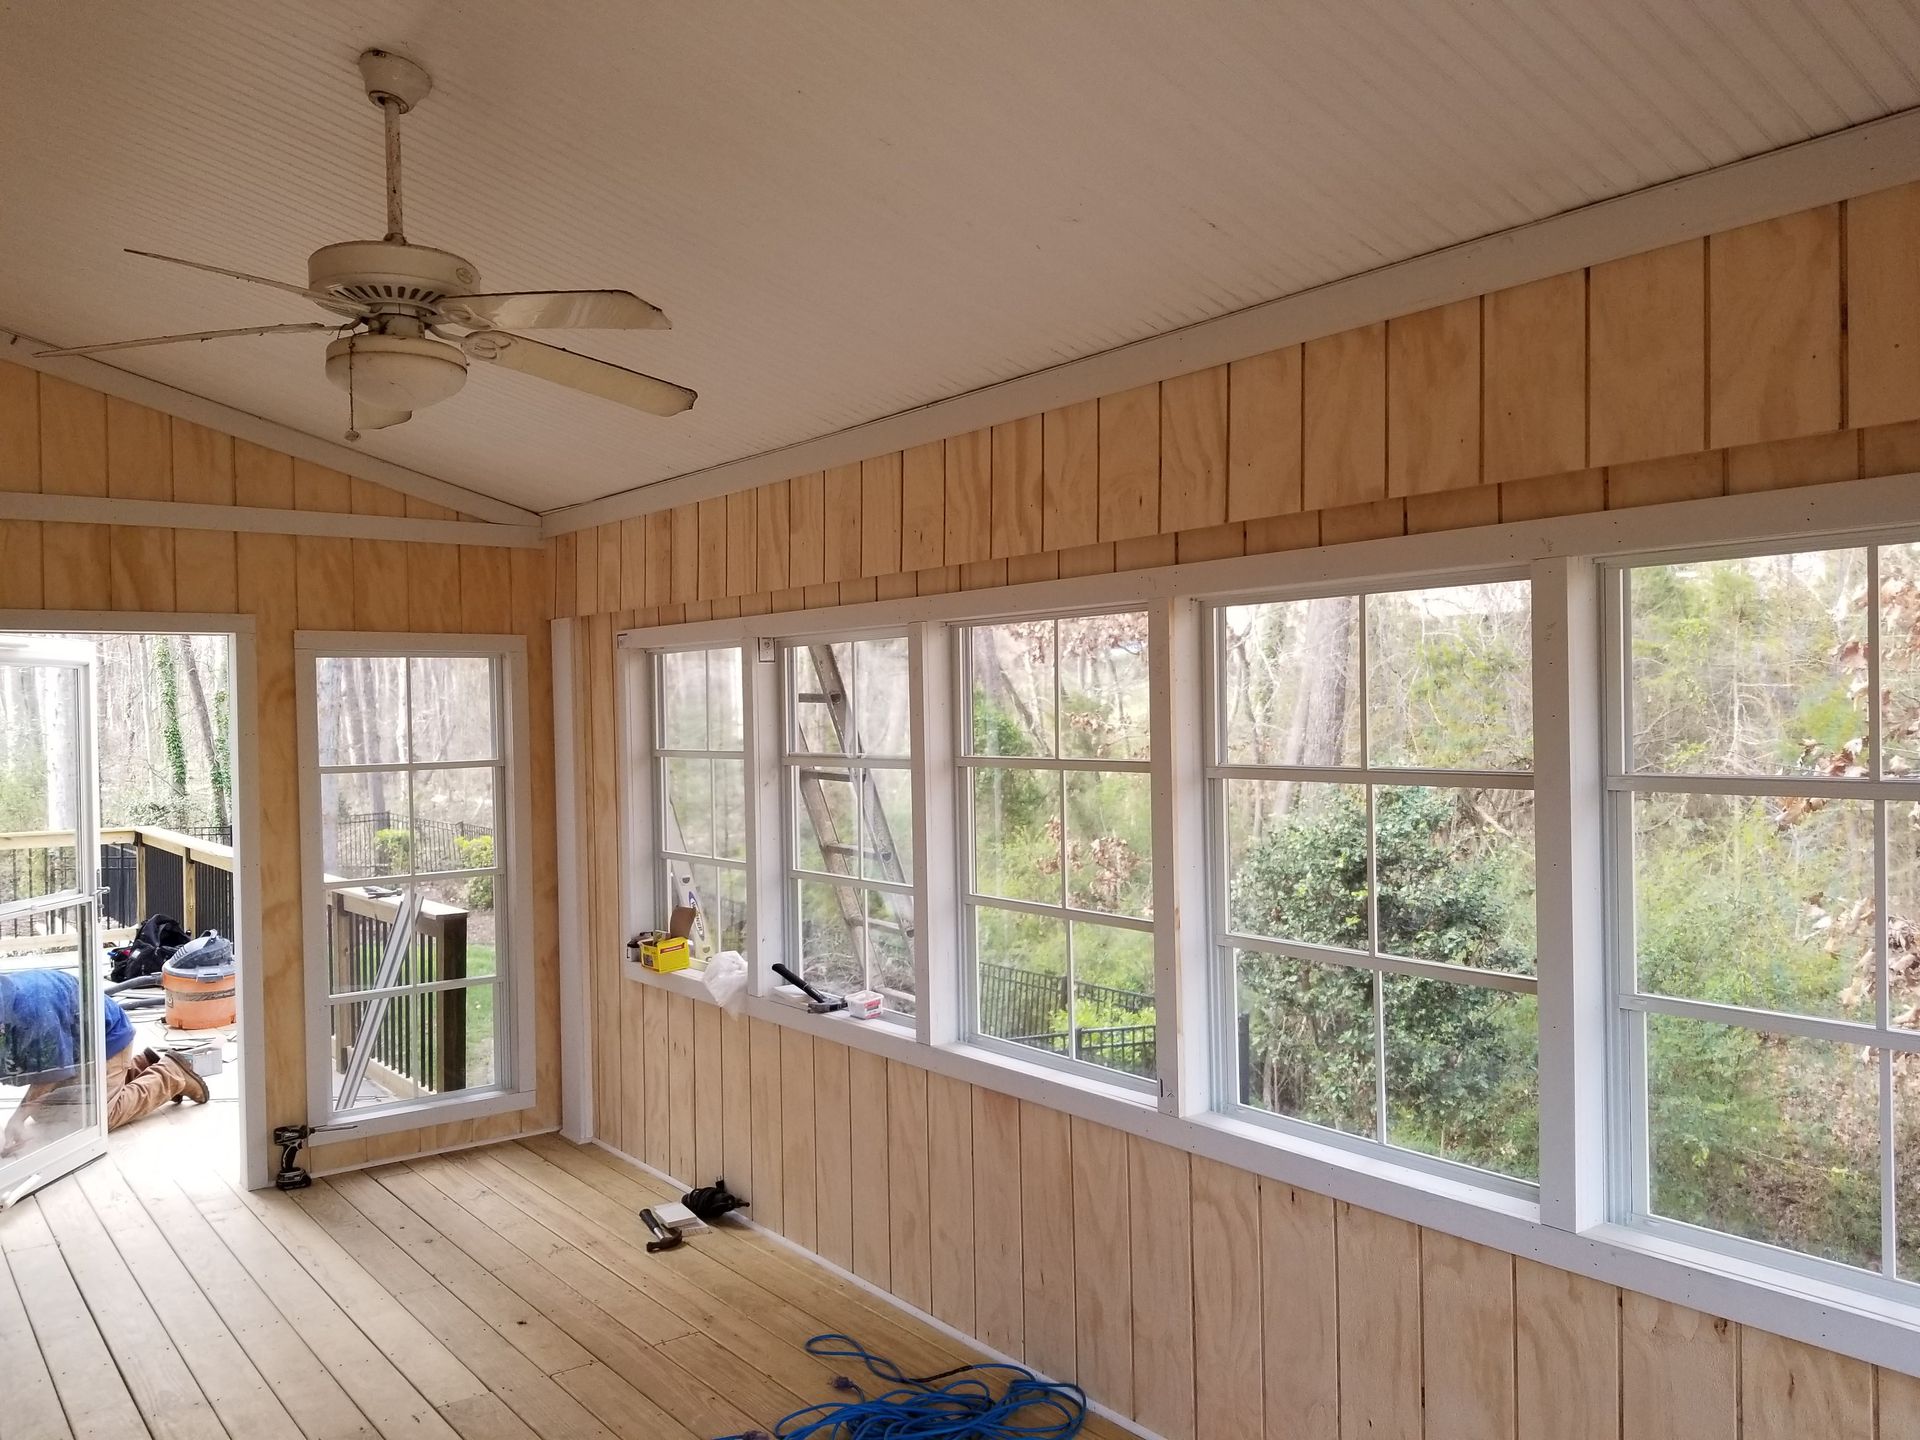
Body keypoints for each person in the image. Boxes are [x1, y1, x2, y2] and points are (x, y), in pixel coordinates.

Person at [0, 967, 207, 1157]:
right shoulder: (7, 1004)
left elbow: (51, 1073)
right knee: (46, 1112)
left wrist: (17, 1118)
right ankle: (137, 1068)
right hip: (79, 1049)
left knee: (95, 1118)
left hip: (108, 1040)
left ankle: (171, 1075)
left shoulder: (32, 1015)